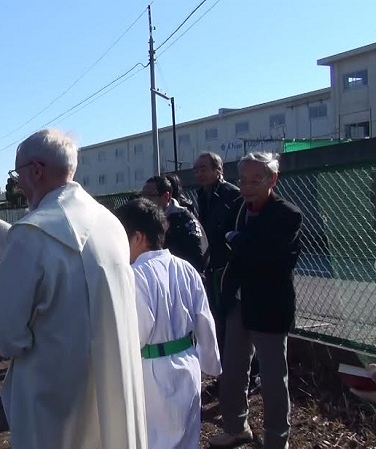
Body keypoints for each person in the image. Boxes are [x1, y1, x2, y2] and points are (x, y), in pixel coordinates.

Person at [0, 128, 147, 449]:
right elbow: (39, 247)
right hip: (112, 381)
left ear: (36, 171)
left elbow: (5, 328)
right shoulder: (110, 224)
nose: (17, 183)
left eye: (17, 173)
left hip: (53, 394)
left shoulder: (35, 233)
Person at [210, 152, 303, 449]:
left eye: (255, 180)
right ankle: (236, 427)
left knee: (274, 378)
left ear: (272, 179)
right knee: (234, 370)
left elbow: (266, 256)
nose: (247, 187)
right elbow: (220, 242)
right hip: (238, 303)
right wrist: (238, 240)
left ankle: (277, 440)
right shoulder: (238, 209)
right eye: (243, 180)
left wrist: (237, 240)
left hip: (269, 307)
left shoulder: (287, 214)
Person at [114, 198, 221, 448]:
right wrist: (210, 363)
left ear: (138, 237)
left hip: (152, 373)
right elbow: (204, 318)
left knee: (154, 440)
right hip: (188, 364)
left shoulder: (133, 276)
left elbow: (135, 334)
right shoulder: (186, 268)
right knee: (187, 437)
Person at [193, 151, 260, 394]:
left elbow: (239, 230)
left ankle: (250, 377)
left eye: (204, 168)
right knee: (217, 322)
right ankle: (223, 377)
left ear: (218, 170)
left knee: (236, 326)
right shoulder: (201, 196)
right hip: (212, 266)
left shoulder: (233, 195)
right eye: (196, 169)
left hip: (229, 268)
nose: (199, 173)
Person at [142, 175, 209, 273]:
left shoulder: (184, 220)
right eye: (143, 196)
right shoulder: (146, 219)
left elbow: (199, 255)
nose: (144, 201)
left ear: (166, 197)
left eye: (150, 196)